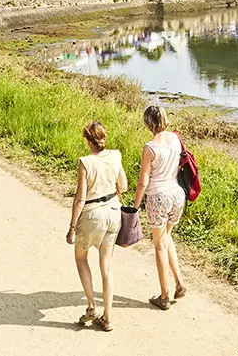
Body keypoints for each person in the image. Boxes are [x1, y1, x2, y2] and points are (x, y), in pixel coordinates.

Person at [67, 122, 126, 332]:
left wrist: (72, 227)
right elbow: (124, 186)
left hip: (92, 214)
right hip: (113, 212)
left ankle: (92, 305)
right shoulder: (116, 155)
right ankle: (107, 317)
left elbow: (80, 199)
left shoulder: (85, 162)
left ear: (87, 141)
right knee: (106, 267)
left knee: (81, 257)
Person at [133, 105, 187, 310]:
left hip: (158, 197)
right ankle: (179, 282)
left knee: (159, 246)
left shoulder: (150, 148)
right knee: (167, 237)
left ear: (148, 124)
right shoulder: (175, 139)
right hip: (177, 195)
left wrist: (135, 206)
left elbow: (143, 181)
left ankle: (164, 296)